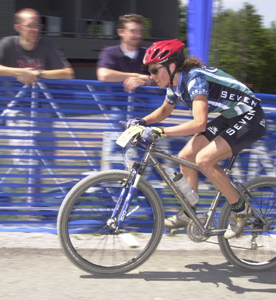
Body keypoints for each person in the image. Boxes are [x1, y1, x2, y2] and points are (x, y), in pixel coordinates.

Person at [126, 39, 266, 238]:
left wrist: (161, 131)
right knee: (186, 156)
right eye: (150, 71)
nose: (151, 75)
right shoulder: (174, 85)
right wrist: (142, 122)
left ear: (171, 66)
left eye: (155, 70)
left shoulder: (194, 79)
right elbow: (165, 110)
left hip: (250, 116)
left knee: (204, 160)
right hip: (231, 116)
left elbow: (200, 123)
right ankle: (189, 212)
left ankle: (241, 210)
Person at [0, 8, 75, 204]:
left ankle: (33, 201)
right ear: (18, 27)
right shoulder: (7, 44)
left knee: (43, 159)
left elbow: (67, 73)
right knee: (28, 158)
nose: (35, 30)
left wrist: (38, 74)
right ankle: (31, 203)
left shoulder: (47, 46)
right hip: (18, 109)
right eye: (30, 25)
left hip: (43, 109)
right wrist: (19, 72)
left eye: (38, 25)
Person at [96, 14, 155, 92]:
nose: (138, 35)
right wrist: (137, 76)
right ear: (121, 32)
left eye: (140, 31)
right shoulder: (110, 53)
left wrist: (145, 82)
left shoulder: (148, 54)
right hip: (116, 103)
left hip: (142, 103)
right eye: (133, 31)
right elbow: (104, 75)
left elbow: (161, 80)